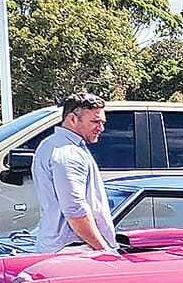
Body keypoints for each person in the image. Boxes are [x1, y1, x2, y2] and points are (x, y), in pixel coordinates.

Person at [32, 92, 118, 256]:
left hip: (64, 247)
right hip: (75, 249)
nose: (101, 128)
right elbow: (75, 211)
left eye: (102, 122)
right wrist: (104, 250)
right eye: (95, 121)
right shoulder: (69, 153)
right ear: (72, 119)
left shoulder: (50, 145)